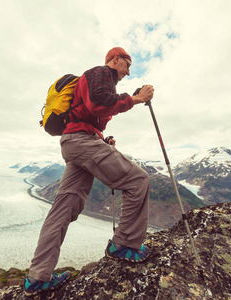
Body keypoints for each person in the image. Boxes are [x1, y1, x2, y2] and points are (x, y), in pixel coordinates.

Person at [24, 47, 154, 296]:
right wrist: (136, 99)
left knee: (63, 209)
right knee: (138, 180)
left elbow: (90, 113)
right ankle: (125, 245)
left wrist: (101, 141)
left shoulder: (99, 80)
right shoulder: (101, 72)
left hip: (75, 143)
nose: (128, 71)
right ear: (115, 59)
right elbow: (98, 104)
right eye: (127, 64)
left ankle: (37, 278)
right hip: (81, 142)